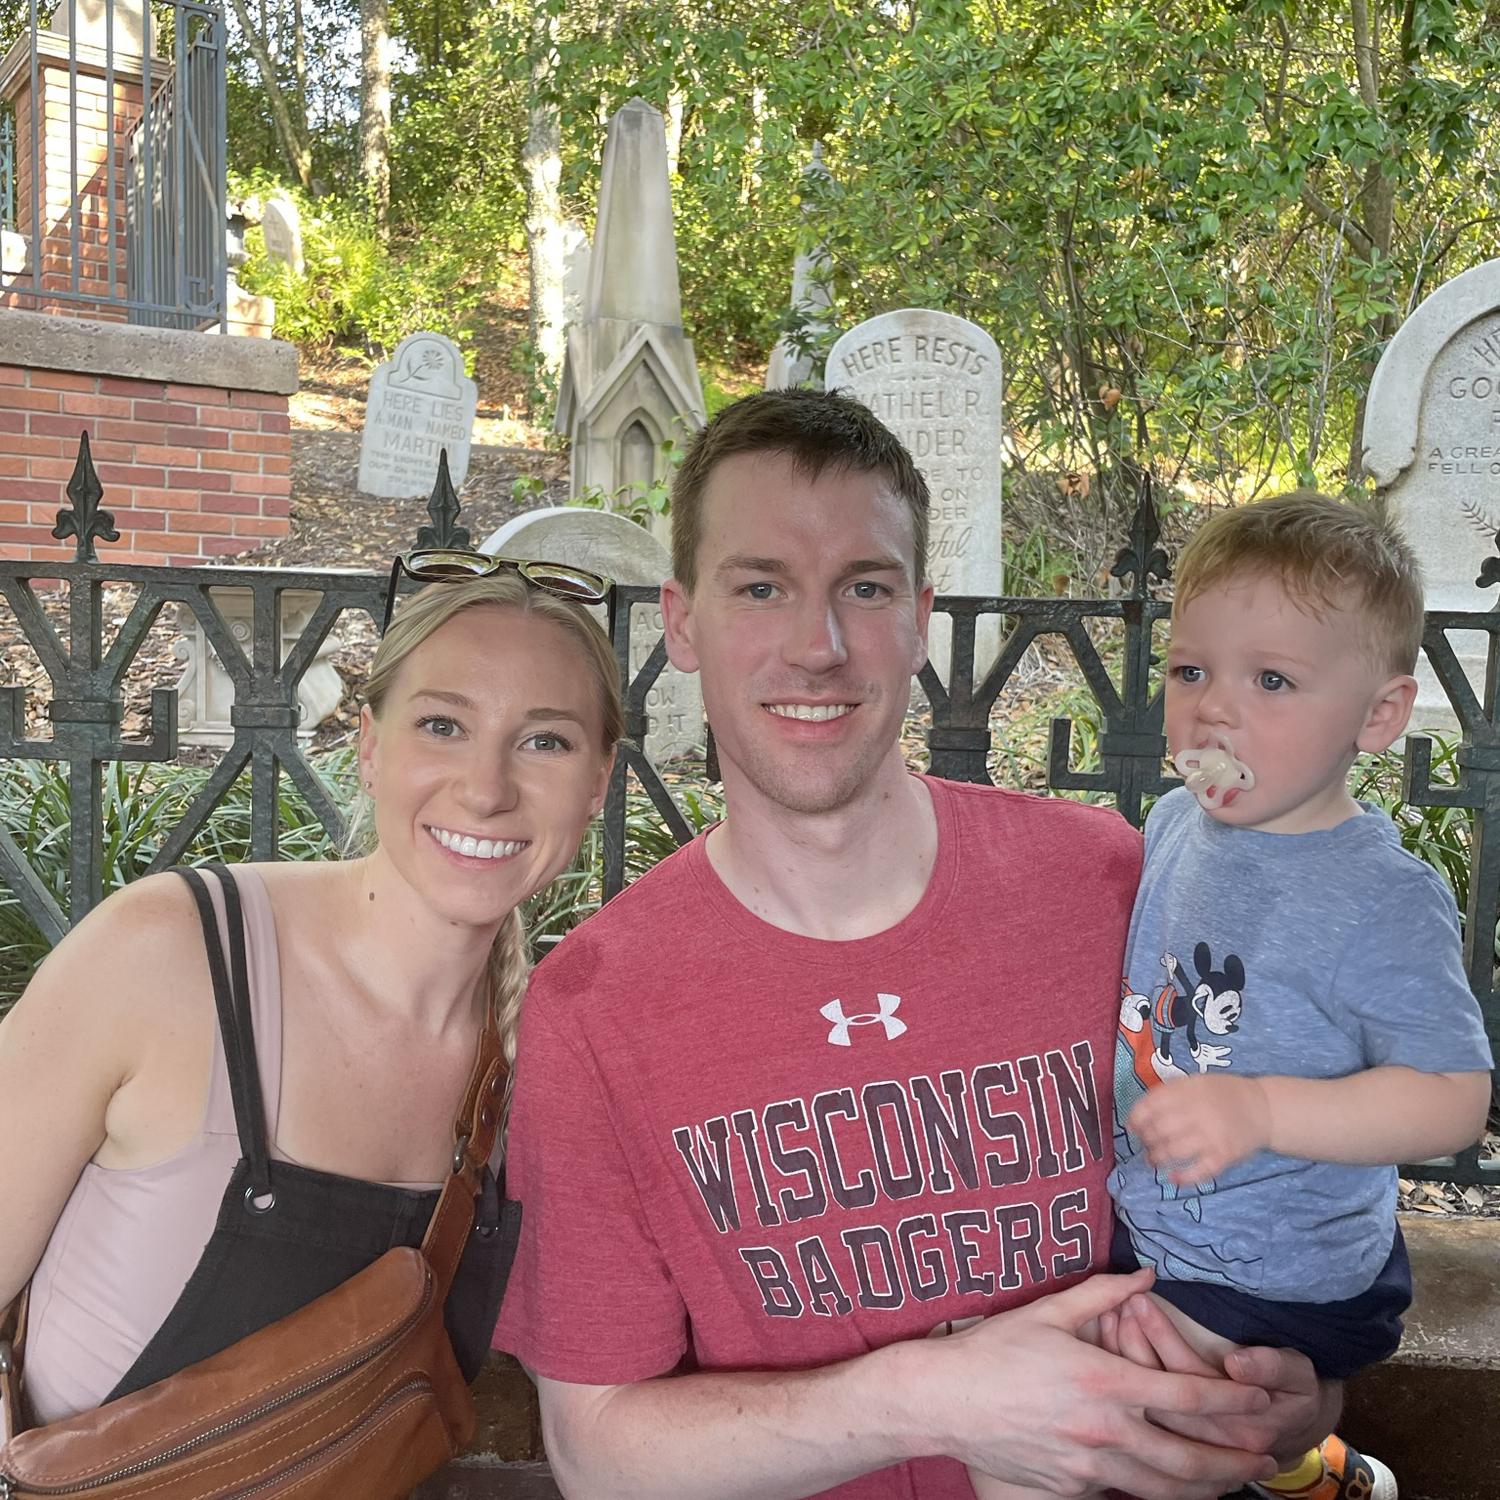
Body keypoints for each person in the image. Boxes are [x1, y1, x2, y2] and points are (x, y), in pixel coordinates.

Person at [497, 389, 1339, 1500]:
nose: (819, 646)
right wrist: (931, 1398)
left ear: (921, 617)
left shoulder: (1115, 886)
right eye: (762, 588)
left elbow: (1294, 1288)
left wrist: (1282, 1390)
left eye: (865, 587)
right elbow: (599, 1455)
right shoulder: (596, 1007)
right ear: (684, 623)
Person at [0, 570, 621, 1427]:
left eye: (544, 741)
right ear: (369, 746)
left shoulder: (547, 1064)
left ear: (599, 782)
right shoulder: (168, 957)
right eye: (442, 726)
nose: (486, 788)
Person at [1056, 493, 1488, 1500]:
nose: (1214, 708)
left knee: (1137, 1423)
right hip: (1158, 1218)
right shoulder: (1174, 827)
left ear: (1378, 716)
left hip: (1276, 1266)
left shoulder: (1376, 897)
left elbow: (1453, 1095)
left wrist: (1261, 1110)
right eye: (1191, 670)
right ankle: (1318, 1474)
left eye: (1274, 680)